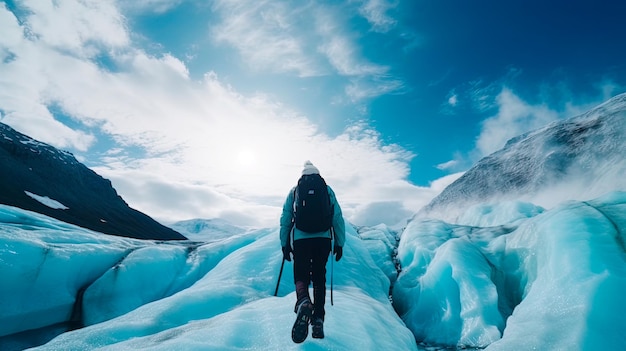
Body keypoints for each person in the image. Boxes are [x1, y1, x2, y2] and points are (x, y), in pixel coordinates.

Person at [280, 160, 345, 343]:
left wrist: (285, 244)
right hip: (323, 239)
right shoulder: (327, 189)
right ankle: (318, 320)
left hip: (301, 239)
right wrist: (339, 243)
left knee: (301, 273)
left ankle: (303, 301)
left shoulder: (295, 191)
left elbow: (286, 217)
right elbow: (337, 216)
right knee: (319, 276)